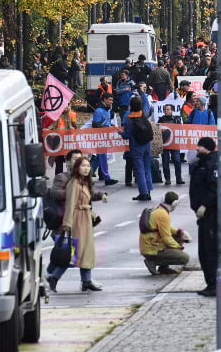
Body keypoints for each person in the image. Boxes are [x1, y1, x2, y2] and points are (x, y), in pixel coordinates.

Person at [47, 156, 106, 292]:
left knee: (85, 252)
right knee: (73, 253)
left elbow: (88, 198)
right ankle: (54, 277)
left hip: (85, 219)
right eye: (83, 166)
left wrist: (100, 198)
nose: (86, 168)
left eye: (88, 166)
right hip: (77, 220)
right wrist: (67, 223)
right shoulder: (74, 183)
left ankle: (86, 280)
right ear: (77, 168)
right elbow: (70, 203)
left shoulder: (84, 182)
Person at [190, 137, 219, 296]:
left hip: (211, 213)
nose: (196, 149)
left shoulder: (212, 164)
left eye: (199, 146)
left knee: (209, 250)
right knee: (204, 251)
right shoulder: (202, 163)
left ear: (206, 148)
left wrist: (205, 205)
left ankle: (214, 284)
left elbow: (215, 187)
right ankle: (210, 283)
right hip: (204, 215)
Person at [139, 191, 192, 275]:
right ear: (175, 203)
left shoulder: (159, 208)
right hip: (152, 249)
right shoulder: (162, 214)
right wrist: (178, 248)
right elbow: (166, 238)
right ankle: (152, 262)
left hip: (149, 246)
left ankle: (163, 268)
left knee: (178, 236)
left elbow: (165, 228)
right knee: (185, 258)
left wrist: (179, 232)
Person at [120, 98, 153, 201]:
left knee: (139, 170)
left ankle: (143, 193)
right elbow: (149, 107)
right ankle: (148, 190)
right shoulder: (144, 114)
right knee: (147, 168)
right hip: (147, 144)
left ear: (131, 106)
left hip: (136, 146)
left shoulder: (129, 119)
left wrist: (119, 132)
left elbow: (127, 135)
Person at [89, 93, 119, 186]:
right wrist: (105, 128)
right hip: (100, 137)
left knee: (99, 158)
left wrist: (111, 126)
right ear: (105, 100)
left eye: (112, 100)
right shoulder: (98, 111)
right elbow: (95, 124)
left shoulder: (107, 110)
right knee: (102, 157)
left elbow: (107, 123)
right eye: (110, 100)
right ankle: (107, 177)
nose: (111, 102)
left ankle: (87, 176)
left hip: (105, 136)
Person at [158, 104, 185, 185]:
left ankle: (179, 178)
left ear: (172, 110)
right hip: (165, 144)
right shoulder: (161, 120)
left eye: (168, 109)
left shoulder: (177, 119)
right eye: (165, 109)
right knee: (165, 162)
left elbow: (181, 129)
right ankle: (167, 179)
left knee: (177, 160)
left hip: (174, 143)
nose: (166, 111)